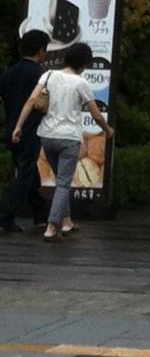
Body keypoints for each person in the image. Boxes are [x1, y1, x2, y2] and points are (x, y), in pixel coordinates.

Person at [12, 41, 113, 241]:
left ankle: (66, 222)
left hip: (47, 136)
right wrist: (107, 130)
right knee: (64, 184)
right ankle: (51, 227)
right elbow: (96, 115)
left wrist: (18, 126)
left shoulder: (48, 75)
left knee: (60, 180)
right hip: (69, 139)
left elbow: (31, 101)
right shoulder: (81, 83)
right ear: (84, 64)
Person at [0, 30, 51, 232]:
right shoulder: (40, 75)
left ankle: (40, 214)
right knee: (24, 177)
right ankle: (5, 217)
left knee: (29, 174)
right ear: (40, 51)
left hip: (11, 131)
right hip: (29, 132)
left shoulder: (9, 73)